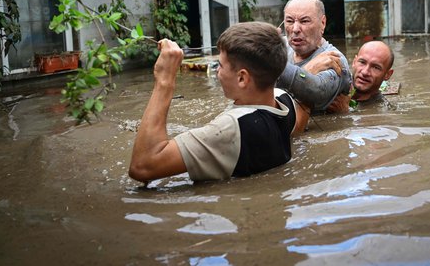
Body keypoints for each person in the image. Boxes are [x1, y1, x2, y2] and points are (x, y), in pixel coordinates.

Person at [128, 21, 309, 183]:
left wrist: (165, 80)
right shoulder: (284, 100)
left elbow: (142, 166)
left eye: (220, 65)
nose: (217, 72)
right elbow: (300, 120)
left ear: (242, 79)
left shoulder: (230, 127)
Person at [275, 0, 351, 113]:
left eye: (304, 21)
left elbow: (314, 91)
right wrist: (310, 68)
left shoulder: (334, 59)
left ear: (323, 23)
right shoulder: (277, 46)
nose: (295, 29)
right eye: (289, 21)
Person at [310, 40, 395, 110]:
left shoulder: (383, 111)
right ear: (354, 62)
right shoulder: (336, 83)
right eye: (362, 62)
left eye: (376, 67)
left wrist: (344, 113)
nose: (365, 72)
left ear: (388, 74)